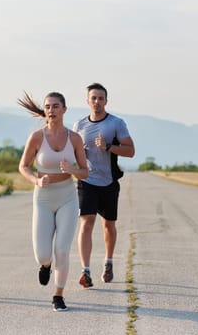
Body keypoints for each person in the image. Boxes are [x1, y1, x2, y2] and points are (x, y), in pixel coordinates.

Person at [18, 91, 88, 311]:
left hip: (67, 196)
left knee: (62, 250)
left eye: (56, 106)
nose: (51, 110)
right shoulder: (36, 137)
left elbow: (85, 172)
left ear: (64, 110)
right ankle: (45, 266)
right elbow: (23, 166)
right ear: (45, 111)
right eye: (48, 106)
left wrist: (73, 169)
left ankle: (58, 294)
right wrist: (36, 181)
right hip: (44, 198)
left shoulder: (75, 138)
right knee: (43, 254)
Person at [73, 82, 135, 288]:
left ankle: (108, 262)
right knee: (86, 222)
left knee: (108, 225)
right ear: (87, 101)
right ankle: (86, 271)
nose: (97, 102)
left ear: (106, 101)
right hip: (87, 181)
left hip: (108, 182)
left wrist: (108, 146)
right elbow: (73, 153)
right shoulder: (79, 125)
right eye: (93, 98)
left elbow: (130, 151)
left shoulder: (116, 123)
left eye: (100, 98)